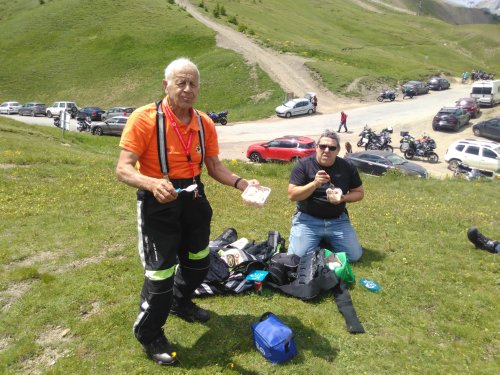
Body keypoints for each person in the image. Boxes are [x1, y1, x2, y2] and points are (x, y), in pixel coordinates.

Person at [116, 57, 258, 366]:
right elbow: (123, 169)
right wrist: (152, 183)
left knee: (199, 261)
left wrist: (241, 183)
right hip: (158, 202)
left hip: (194, 197)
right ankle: (150, 333)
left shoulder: (204, 122)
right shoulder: (145, 119)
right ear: (166, 85)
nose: (187, 88)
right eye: (181, 82)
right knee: (160, 271)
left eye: (193, 83)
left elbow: (215, 166)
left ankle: (180, 302)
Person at [287, 129, 364, 262]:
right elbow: (292, 195)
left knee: (354, 256)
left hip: (337, 220)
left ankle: (319, 246)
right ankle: (319, 244)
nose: (327, 150)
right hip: (308, 220)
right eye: (323, 146)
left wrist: (343, 198)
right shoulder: (303, 165)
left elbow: (359, 193)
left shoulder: (347, 167)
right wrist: (315, 184)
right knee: (297, 258)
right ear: (317, 147)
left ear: (338, 150)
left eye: (332, 147)